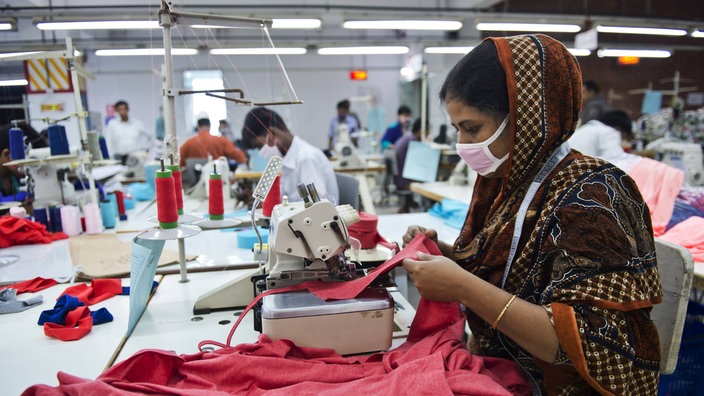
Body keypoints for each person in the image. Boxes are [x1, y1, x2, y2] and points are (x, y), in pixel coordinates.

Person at [400, 35, 661, 394]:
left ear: (525, 117)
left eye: (472, 128)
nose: (462, 145)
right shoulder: (508, 185)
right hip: (504, 371)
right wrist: (443, 255)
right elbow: (503, 269)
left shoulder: (594, 198)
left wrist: (462, 285)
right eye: (458, 129)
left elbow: (577, 346)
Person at [241, 107, 339, 204]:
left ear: (271, 134)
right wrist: (262, 202)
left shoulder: (306, 159)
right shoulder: (288, 159)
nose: (260, 152)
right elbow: (286, 198)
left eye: (259, 146)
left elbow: (317, 208)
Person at [179, 115, 247, 168]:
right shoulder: (222, 141)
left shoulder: (187, 144)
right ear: (210, 125)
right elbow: (241, 157)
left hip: (195, 184)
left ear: (197, 126)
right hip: (218, 180)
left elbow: (179, 165)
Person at [569, 109, 633, 159]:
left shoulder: (581, 130)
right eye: (623, 138)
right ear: (618, 129)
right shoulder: (609, 132)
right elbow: (616, 159)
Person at [394, 118, 423, 213]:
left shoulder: (406, 138)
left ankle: (409, 202)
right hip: (404, 180)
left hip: (398, 178)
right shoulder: (413, 141)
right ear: (421, 130)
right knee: (431, 176)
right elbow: (419, 162)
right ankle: (430, 206)